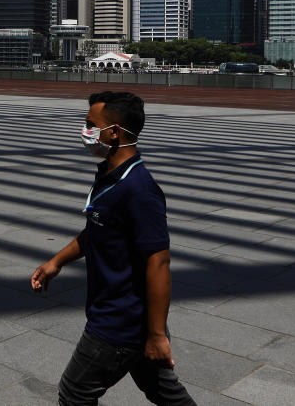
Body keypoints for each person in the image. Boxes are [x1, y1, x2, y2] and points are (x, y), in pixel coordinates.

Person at [30, 91, 196, 406]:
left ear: (115, 132)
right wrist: (57, 261)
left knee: (74, 394)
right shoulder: (111, 175)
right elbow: (98, 228)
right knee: (164, 392)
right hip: (133, 321)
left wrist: (157, 335)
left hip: (118, 323)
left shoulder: (139, 190)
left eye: (91, 124)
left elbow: (159, 262)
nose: (85, 131)